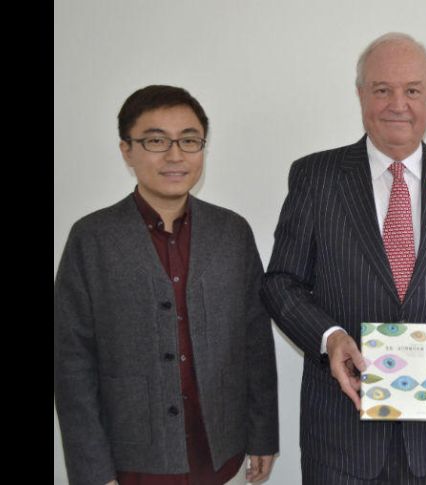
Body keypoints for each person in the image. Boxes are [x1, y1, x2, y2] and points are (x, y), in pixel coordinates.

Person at [261, 32, 426, 484]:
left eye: (412, 90)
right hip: (340, 428)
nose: (398, 104)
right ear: (360, 95)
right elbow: (280, 282)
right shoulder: (315, 176)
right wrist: (328, 337)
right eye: (382, 90)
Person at [54, 85, 279, 485]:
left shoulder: (232, 232)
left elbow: (255, 341)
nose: (175, 155)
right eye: (156, 140)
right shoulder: (92, 238)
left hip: (216, 448)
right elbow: (71, 363)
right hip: (131, 456)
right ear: (127, 150)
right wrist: (91, 470)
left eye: (189, 141)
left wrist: (262, 435)